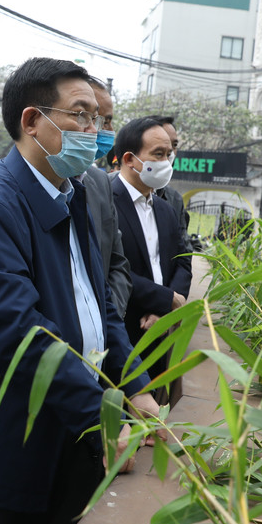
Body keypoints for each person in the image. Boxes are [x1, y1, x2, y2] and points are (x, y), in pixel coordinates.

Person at [0, 58, 159, 524]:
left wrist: (135, 385)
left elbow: (97, 308)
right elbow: (23, 336)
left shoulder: (71, 197)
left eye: (99, 120)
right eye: (81, 115)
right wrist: (100, 417)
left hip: (59, 429)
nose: (94, 131)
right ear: (31, 121)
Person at [111, 116, 193, 392]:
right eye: (158, 154)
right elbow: (110, 266)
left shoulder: (164, 208)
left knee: (155, 411)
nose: (166, 163)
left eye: (169, 154)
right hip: (122, 330)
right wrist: (164, 299)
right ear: (130, 159)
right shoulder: (104, 202)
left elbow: (182, 261)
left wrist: (166, 308)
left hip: (159, 330)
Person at [82, 78, 131, 315]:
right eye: (96, 119)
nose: (105, 130)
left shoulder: (99, 182)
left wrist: (107, 319)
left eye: (108, 121)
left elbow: (117, 264)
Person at [149, 115, 192, 251]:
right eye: (164, 144)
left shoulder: (174, 199)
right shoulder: (111, 189)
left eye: (174, 145)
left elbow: (183, 251)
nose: (170, 153)